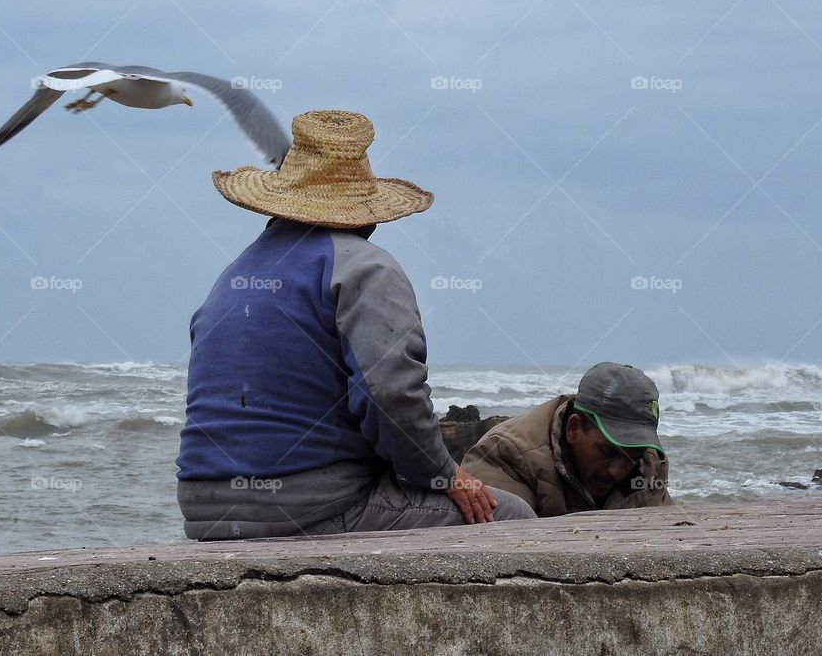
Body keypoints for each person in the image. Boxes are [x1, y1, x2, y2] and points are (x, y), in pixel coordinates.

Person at [176, 109, 535, 539]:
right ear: (367, 211)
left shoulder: (235, 274)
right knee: (510, 517)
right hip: (306, 504)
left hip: (201, 506)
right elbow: (389, 393)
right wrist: (444, 475)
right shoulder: (364, 266)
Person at [461, 362, 675, 516]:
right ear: (573, 428)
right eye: (608, 452)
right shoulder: (505, 454)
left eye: (632, 456)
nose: (617, 471)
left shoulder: (648, 463)